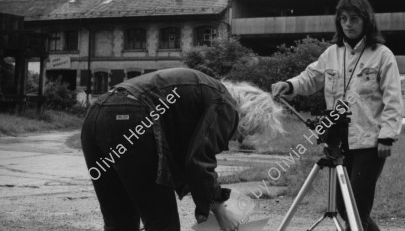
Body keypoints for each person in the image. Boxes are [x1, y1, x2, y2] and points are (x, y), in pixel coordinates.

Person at [81, 67, 284, 231]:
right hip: (132, 115)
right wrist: (219, 209)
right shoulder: (225, 104)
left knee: (120, 221)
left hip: (96, 116)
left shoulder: (200, 96)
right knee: (162, 224)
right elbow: (199, 160)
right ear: (249, 117)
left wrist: (208, 199)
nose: (235, 139)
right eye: (243, 134)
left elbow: (184, 159)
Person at [272, 0, 403, 231]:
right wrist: (289, 85)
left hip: (369, 143)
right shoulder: (332, 53)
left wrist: (388, 135)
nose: (348, 24)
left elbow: (393, 99)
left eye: (354, 18)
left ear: (366, 20)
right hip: (338, 140)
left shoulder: (382, 55)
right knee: (345, 209)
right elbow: (310, 78)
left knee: (357, 209)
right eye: (343, 19)